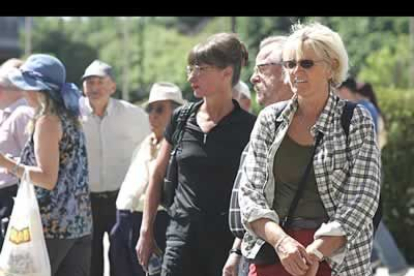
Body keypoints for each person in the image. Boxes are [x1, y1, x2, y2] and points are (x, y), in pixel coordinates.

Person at [238, 22, 381, 276]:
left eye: (306, 63)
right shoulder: (270, 119)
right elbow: (249, 193)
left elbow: (363, 197)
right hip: (274, 253)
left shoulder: (355, 120)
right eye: (290, 64)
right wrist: (282, 243)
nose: (295, 71)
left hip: (337, 259)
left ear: (332, 67)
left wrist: (316, 251)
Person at [136, 32, 256, 276]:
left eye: (201, 69)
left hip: (225, 243)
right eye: (190, 68)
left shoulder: (250, 128)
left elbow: (255, 192)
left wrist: (237, 250)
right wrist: (146, 232)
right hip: (180, 236)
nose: (192, 76)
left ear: (227, 73)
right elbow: (156, 177)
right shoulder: (182, 118)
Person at [0, 54, 93, 276]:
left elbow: (47, 178)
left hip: (49, 227)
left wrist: (5, 163)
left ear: (39, 89)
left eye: (26, 86)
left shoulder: (47, 121)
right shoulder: (71, 117)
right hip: (78, 223)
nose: (23, 92)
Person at [224, 35, 293, 276]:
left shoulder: (304, 132)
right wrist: (236, 252)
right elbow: (251, 199)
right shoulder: (267, 125)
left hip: (287, 259)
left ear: (289, 71)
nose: (253, 78)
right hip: (254, 254)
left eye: (262, 68)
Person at [79, 59, 150, 276]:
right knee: (89, 260)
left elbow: (149, 146)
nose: (94, 88)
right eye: (89, 82)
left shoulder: (133, 115)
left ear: (113, 86)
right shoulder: (73, 114)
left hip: (119, 199)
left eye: (100, 82)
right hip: (85, 199)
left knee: (121, 257)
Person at [110, 82, 185, 276]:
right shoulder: (146, 141)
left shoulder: (181, 146)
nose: (153, 115)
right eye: (150, 109)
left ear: (176, 113)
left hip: (157, 221)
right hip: (125, 219)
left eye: (160, 109)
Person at [356, 82, 409, 276]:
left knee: (371, 220)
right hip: (376, 168)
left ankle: (390, 262)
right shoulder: (373, 108)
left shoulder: (364, 108)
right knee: (368, 219)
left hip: (369, 171)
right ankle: (373, 260)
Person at [0, 58, 33, 251]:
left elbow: (31, 158)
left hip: (12, 194)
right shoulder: (7, 113)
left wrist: (8, 163)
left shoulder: (23, 114)